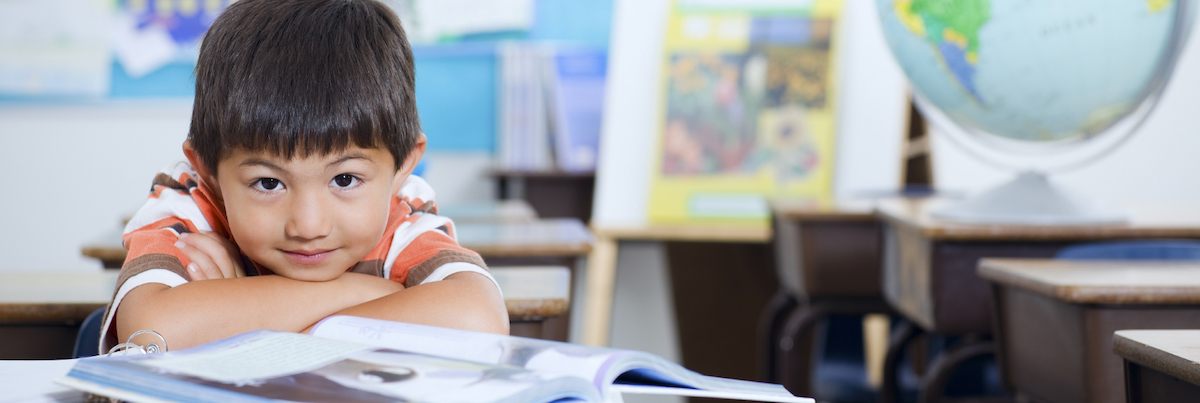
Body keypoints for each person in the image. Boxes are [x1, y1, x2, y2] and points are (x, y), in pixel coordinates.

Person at [99, 0, 508, 354]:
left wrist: (242, 313)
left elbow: (479, 320)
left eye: (345, 180)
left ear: (403, 166)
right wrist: (368, 293)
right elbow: (151, 331)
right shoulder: (191, 205)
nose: (308, 226)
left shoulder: (400, 216)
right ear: (208, 169)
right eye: (268, 183)